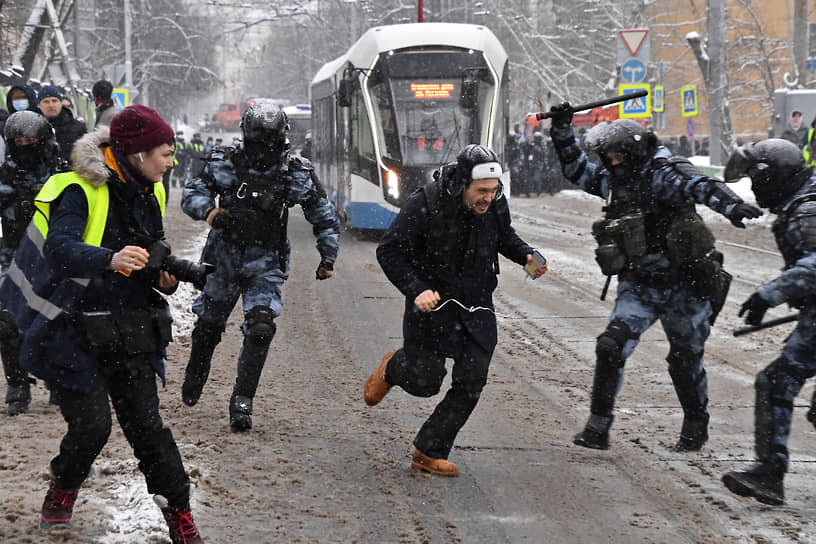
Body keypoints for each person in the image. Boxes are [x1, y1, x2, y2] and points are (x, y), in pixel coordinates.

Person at [0, 105, 205, 542]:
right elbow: (61, 248)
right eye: (165, 154)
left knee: (149, 431)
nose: (172, 162)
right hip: (71, 328)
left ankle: (180, 517)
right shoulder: (76, 189)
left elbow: (145, 251)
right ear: (136, 153)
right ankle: (63, 486)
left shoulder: (152, 187)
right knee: (93, 427)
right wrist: (110, 259)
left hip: (128, 325)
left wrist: (163, 276)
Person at [548, 107, 763, 452]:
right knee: (611, 346)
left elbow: (701, 185)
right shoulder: (613, 179)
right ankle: (598, 426)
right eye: (607, 156)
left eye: (616, 154)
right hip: (640, 286)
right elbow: (576, 169)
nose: (610, 161)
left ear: (632, 151)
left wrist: (732, 206)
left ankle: (695, 424)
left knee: (684, 360)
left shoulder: (664, 174)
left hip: (685, 287)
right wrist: (561, 131)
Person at [366, 144, 548, 476]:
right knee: (425, 382)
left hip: (477, 305)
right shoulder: (426, 203)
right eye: (481, 191)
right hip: (433, 307)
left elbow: (505, 238)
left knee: (471, 381)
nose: (487, 198)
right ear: (463, 182)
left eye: (493, 191)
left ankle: (429, 450)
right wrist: (416, 289)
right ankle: (393, 367)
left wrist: (527, 255)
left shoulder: (494, 205)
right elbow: (389, 251)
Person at [180, 103, 340, 431]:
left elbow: (322, 212)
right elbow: (192, 193)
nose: (262, 153)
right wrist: (210, 213)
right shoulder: (223, 161)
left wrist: (328, 255)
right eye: (257, 144)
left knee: (261, 328)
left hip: (265, 262)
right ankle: (196, 373)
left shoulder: (295, 171)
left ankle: (243, 399)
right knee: (209, 325)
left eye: (269, 145)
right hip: (221, 258)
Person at [720, 139, 816, 506]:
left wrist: (768, 294)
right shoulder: (802, 202)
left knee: (776, 382)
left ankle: (768, 473)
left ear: (775, 177)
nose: (755, 188)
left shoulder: (807, 211)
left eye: (757, 180)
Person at [0, 111, 65, 415]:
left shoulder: (62, 174)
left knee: (57, 316)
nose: (25, 145)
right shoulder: (5, 175)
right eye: (18, 141)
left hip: (54, 255)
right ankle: (17, 383)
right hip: (14, 253)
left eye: (31, 140)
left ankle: (56, 378)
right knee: (7, 320)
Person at [37, 85, 86, 166]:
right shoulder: (34, 128)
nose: (51, 105)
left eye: (54, 101)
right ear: (39, 105)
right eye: (46, 101)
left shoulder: (78, 128)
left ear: (60, 103)